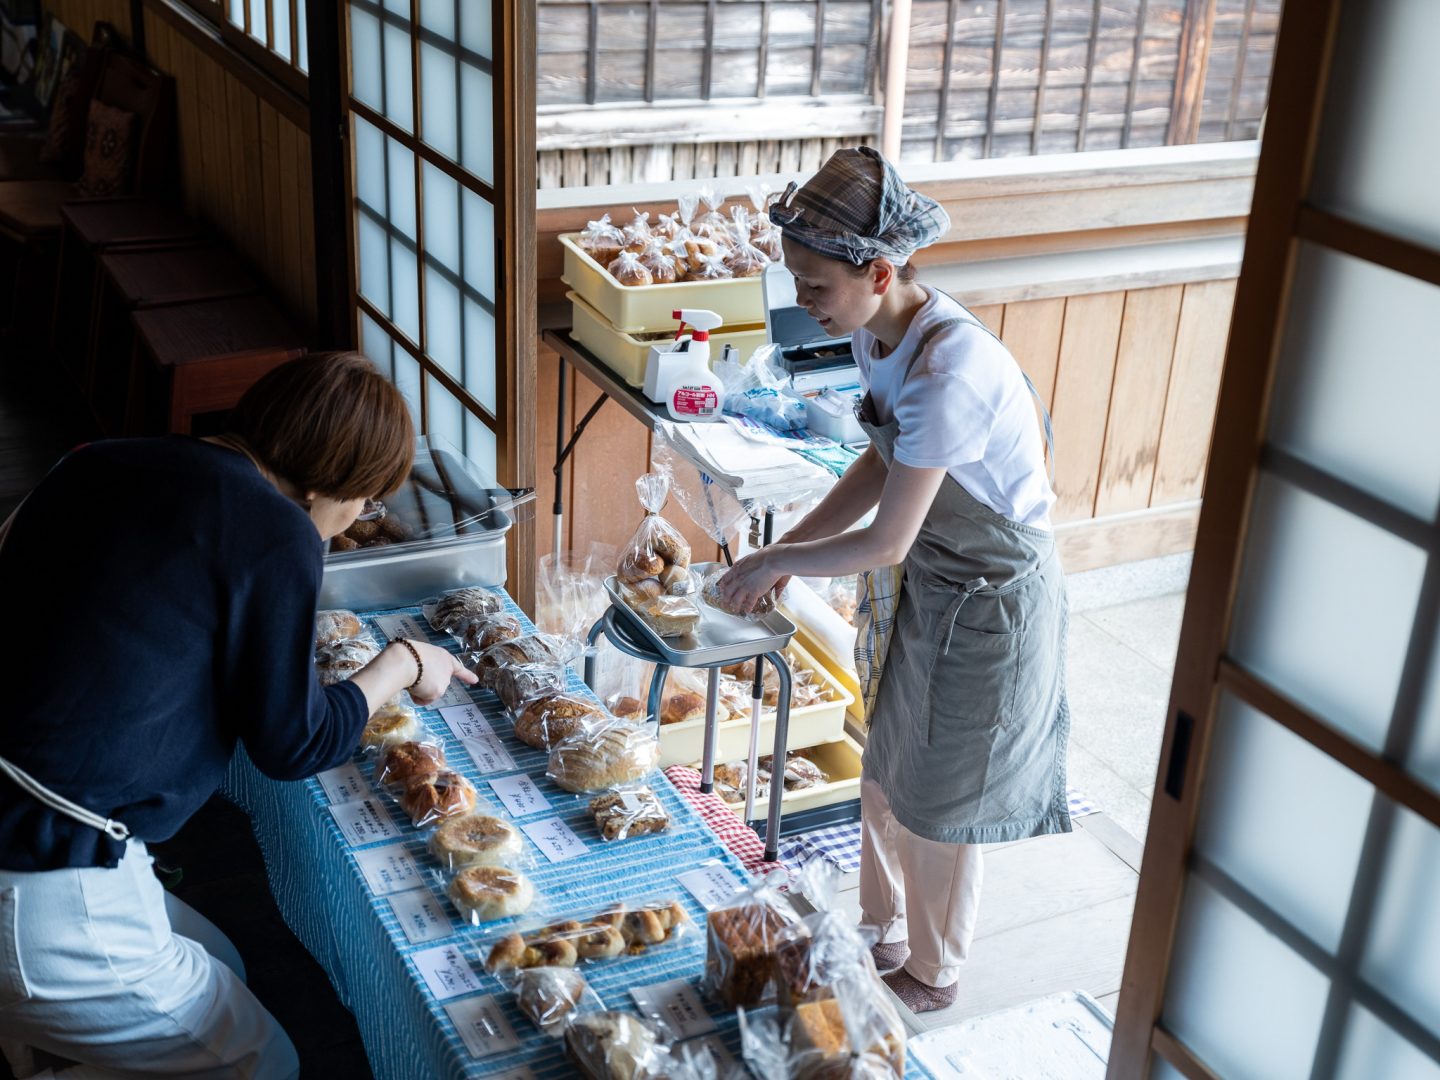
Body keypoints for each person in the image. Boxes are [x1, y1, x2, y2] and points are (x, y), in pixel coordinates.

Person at [0, 352, 477, 1076]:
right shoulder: (274, 526)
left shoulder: (97, 459)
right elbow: (293, 744)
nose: (355, 522)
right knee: (263, 1063)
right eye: (367, 501)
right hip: (46, 874)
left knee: (221, 961)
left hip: (37, 821)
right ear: (325, 482)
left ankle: (47, 1045)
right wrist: (403, 664)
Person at [719, 147, 1070, 1013]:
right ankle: (884, 932)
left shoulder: (951, 368)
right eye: (796, 281)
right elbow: (879, 466)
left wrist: (781, 562)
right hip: (931, 575)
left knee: (938, 791)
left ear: (879, 270)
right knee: (884, 763)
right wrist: (781, 546)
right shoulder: (878, 334)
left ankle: (934, 973)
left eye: (815, 287)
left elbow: (887, 537)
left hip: (991, 592)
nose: (802, 303)